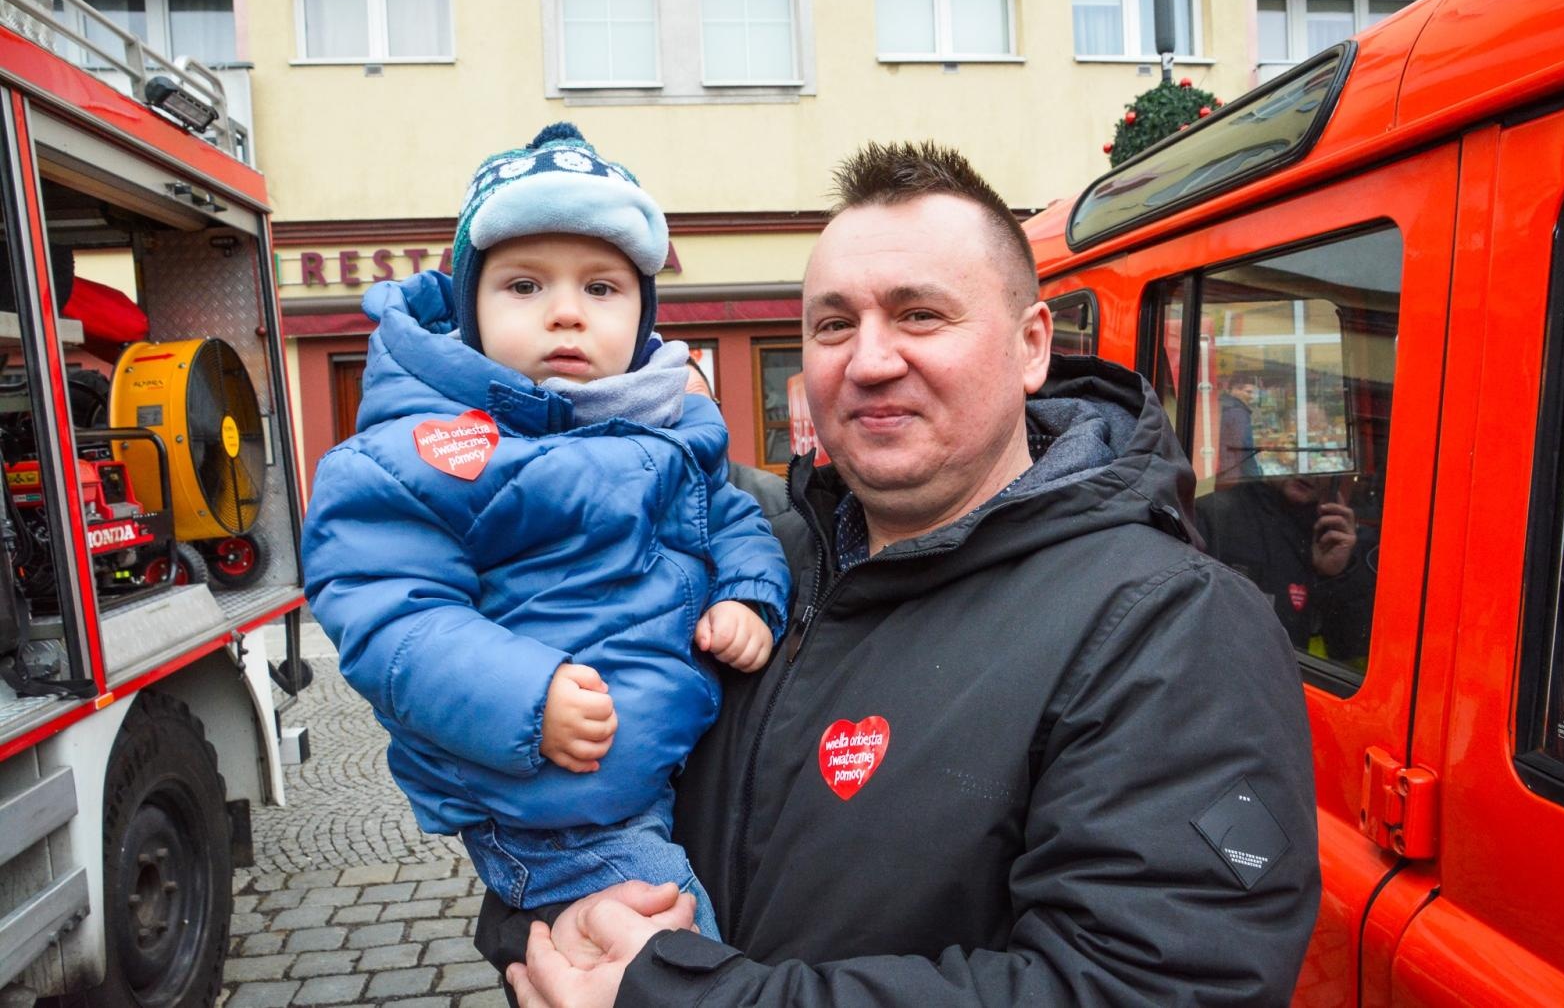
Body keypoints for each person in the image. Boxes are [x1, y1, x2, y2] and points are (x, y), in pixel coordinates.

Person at [482, 140, 1321, 1007]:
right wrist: (549, 938)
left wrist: (675, 997)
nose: (869, 360)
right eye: (834, 325)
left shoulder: (1171, 624)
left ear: (1032, 346)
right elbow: (553, 806)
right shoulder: (743, 565)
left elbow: (1148, 985)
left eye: (920, 315)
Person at [301, 123, 791, 941]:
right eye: (525, 287)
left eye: (602, 290)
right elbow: (390, 612)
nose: (566, 313)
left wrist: (748, 595)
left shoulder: (666, 425)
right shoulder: (416, 448)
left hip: (663, 767)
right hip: (554, 808)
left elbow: (732, 515)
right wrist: (530, 697)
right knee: (672, 948)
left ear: (642, 315)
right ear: (471, 308)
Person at [1195, 473, 1378, 666]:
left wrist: (1336, 576)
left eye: (1322, 457)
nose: (1308, 469)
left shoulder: (1331, 535)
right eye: (1298, 449)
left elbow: (1349, 650)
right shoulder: (1215, 515)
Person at [683, 356, 792, 521]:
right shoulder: (634, 514)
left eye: (702, 406)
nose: (692, 421)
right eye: (677, 410)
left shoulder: (774, 499)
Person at [1218, 377, 1263, 483]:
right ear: (1235, 390)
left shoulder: (1225, 406)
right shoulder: (1237, 412)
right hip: (1235, 473)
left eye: (1254, 393)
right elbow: (1244, 448)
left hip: (1226, 469)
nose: (1252, 396)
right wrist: (1255, 477)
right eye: (1248, 392)